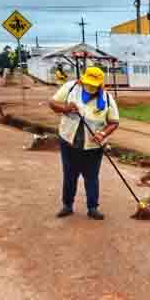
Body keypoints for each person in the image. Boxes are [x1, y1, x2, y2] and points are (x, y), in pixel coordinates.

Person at [48, 67, 120, 221]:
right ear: (82, 80)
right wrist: (65, 108)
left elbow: (114, 122)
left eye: (94, 85)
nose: (91, 88)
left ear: (101, 84)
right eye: (88, 83)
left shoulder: (107, 99)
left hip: (93, 147)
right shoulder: (71, 88)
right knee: (69, 176)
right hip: (69, 141)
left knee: (91, 177)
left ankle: (92, 208)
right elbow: (52, 103)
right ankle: (67, 205)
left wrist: (102, 134)